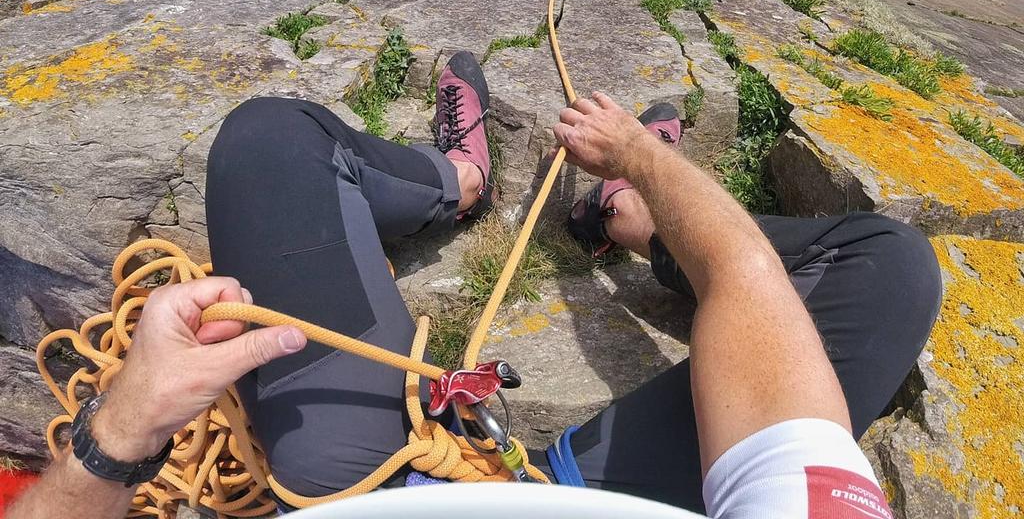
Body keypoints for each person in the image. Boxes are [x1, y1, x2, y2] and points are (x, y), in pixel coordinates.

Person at [11, 52, 942, 519]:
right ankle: (631, 218)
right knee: (890, 266)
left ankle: (462, 177)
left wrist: (123, 430)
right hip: (595, 495)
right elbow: (746, 275)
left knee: (272, 139)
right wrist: (645, 172)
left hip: (367, 488)